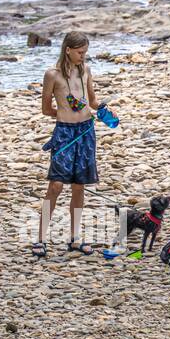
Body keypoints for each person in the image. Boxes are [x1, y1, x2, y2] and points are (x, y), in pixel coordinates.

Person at [34, 31, 111, 256]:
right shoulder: (52, 75)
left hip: (86, 131)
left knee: (79, 186)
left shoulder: (85, 70)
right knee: (55, 185)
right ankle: (40, 238)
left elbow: (93, 100)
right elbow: (46, 109)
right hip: (65, 133)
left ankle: (75, 238)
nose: (83, 57)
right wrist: (67, 112)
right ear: (68, 50)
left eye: (85, 53)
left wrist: (103, 109)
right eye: (80, 52)